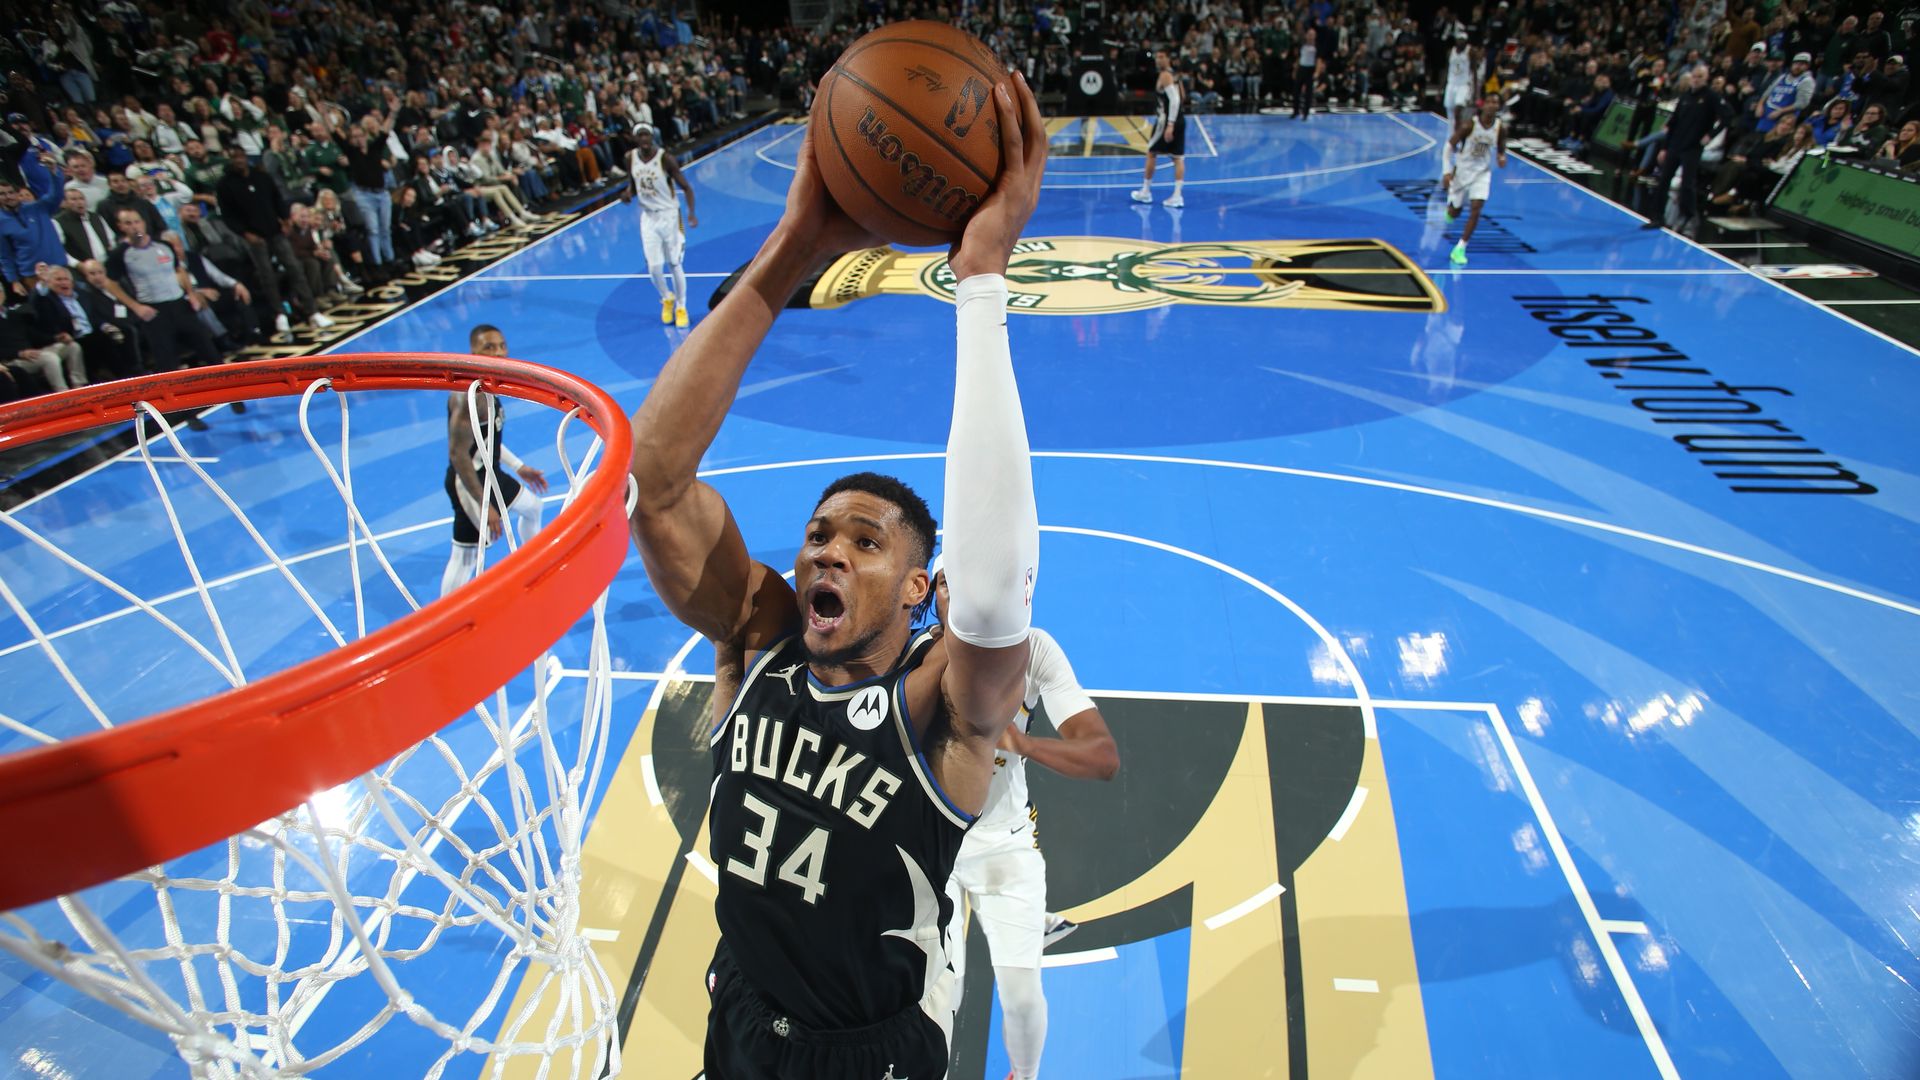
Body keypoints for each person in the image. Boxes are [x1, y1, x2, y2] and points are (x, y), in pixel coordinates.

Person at [627, 72, 1046, 1080]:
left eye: (865, 542)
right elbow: (658, 480)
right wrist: (793, 249)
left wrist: (981, 279)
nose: (827, 551)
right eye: (820, 534)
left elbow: (992, 599)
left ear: (916, 590)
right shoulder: (762, 637)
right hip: (738, 1016)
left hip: (868, 1057)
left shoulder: (947, 707)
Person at [931, 557, 1120, 1080]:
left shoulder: (1032, 650)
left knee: (1019, 994)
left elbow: (1102, 758)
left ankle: (1025, 1075)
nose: (958, 596)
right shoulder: (916, 652)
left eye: (967, 584)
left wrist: (1025, 742)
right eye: (945, 584)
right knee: (940, 991)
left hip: (1003, 842)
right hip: (930, 840)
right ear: (930, 594)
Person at [442, 323, 548, 597]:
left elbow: (488, 440)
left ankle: (534, 565)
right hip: (469, 481)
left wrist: (519, 467)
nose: (499, 352)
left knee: (533, 507)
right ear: (473, 351)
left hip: (490, 472)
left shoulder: (489, 383)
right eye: (489, 347)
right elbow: (458, 457)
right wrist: (485, 504)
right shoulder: (471, 398)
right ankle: (442, 617)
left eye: (502, 345)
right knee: (465, 556)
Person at [99, 206, 221, 371]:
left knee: (207, 348)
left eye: (137, 222)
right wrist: (136, 307)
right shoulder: (121, 254)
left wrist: (191, 294)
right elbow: (109, 283)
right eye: (128, 223)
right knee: (166, 359)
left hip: (179, 304)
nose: (134, 227)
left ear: (143, 223)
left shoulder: (163, 245)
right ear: (121, 227)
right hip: (154, 310)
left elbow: (179, 269)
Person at [622, 124, 698, 327]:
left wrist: (691, 213)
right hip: (648, 217)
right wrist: (628, 193)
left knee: (674, 263)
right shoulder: (630, 158)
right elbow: (633, 182)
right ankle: (667, 297)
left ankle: (681, 306)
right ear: (635, 138)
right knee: (654, 268)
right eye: (640, 135)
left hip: (670, 216)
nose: (644, 138)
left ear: (652, 136)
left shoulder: (665, 158)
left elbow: (687, 188)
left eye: (647, 134)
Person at [1642, 65, 1728, 236]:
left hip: (1693, 148)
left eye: (1700, 76)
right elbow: (1673, 122)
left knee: (1687, 184)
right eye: (1695, 76)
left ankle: (1688, 214)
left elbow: (1727, 117)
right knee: (1663, 179)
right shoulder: (1686, 96)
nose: (1697, 79)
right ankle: (1658, 216)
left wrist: (1710, 135)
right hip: (1675, 144)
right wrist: (1665, 147)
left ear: (1706, 78)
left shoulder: (1711, 97)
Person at [30, 262, 138, 380]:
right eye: (58, 280)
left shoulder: (82, 295)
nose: (63, 282)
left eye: (66, 279)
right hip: (73, 336)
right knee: (100, 341)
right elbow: (37, 301)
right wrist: (42, 283)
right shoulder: (48, 301)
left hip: (93, 332)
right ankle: (118, 377)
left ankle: (135, 371)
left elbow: (94, 317)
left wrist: (104, 325)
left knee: (125, 330)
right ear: (49, 283)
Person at [1442, 98, 1507, 266]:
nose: (1493, 105)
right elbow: (1449, 146)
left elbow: (1501, 148)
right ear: (1483, 105)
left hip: (1482, 174)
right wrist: (1446, 172)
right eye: (1490, 102)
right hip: (1463, 172)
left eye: (1496, 102)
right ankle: (1450, 210)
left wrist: (1501, 157)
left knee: (1476, 208)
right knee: (1454, 212)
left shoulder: (1500, 127)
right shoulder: (1469, 125)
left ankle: (1460, 248)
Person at [0, 170, 68, 303]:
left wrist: (53, 173)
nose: (8, 196)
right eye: (2, 194)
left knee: (71, 304)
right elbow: (5, 255)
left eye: (11, 192)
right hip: (32, 275)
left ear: (17, 194)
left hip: (59, 267)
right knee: (49, 311)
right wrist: (14, 281)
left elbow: (56, 195)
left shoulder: (38, 207)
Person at [1132, 52, 1188, 208]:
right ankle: (1177, 196)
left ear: (1169, 59)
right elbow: (1183, 96)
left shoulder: (1165, 75)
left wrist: (1170, 124)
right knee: (1178, 158)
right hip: (1180, 119)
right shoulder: (1176, 76)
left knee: (1151, 152)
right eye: (1157, 57)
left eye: (1163, 56)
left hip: (1167, 121)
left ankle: (1145, 191)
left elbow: (1176, 100)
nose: (1159, 59)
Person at [55, 186, 118, 264]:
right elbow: (60, 250)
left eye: (81, 199)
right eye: (74, 199)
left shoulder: (96, 217)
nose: (79, 202)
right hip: (81, 267)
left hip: (107, 264)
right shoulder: (58, 222)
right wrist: (78, 265)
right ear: (64, 203)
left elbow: (111, 239)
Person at [1444, 36, 1477, 124]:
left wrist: (1476, 91)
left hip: (1463, 85)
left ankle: (1459, 129)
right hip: (1451, 84)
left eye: (1463, 40)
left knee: (1458, 108)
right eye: (1459, 39)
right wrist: (1441, 88)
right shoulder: (1450, 51)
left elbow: (1474, 72)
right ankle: (1451, 131)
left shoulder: (1470, 51)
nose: (1461, 42)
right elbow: (1446, 69)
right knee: (1449, 108)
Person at [1294, 28, 1323, 119]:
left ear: (1315, 36)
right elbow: (1299, 58)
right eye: (1309, 34)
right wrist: (1295, 70)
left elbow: (1319, 60)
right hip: (1301, 68)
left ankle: (1305, 113)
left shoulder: (1317, 46)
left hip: (1310, 69)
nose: (1310, 36)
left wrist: (1317, 72)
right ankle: (1295, 111)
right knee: (1296, 91)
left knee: (1308, 93)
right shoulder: (1302, 45)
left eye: (1312, 35)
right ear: (1306, 36)